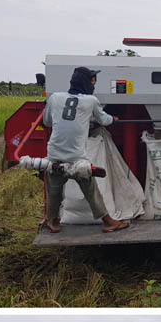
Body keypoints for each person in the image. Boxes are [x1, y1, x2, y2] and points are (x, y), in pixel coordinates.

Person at [42, 66, 129, 233]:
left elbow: (47, 122)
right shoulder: (91, 100)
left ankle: (53, 222)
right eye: (93, 81)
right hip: (76, 157)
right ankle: (109, 222)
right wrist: (115, 119)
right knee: (90, 189)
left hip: (55, 154)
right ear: (86, 83)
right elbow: (103, 119)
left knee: (54, 190)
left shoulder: (55, 98)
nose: (94, 84)